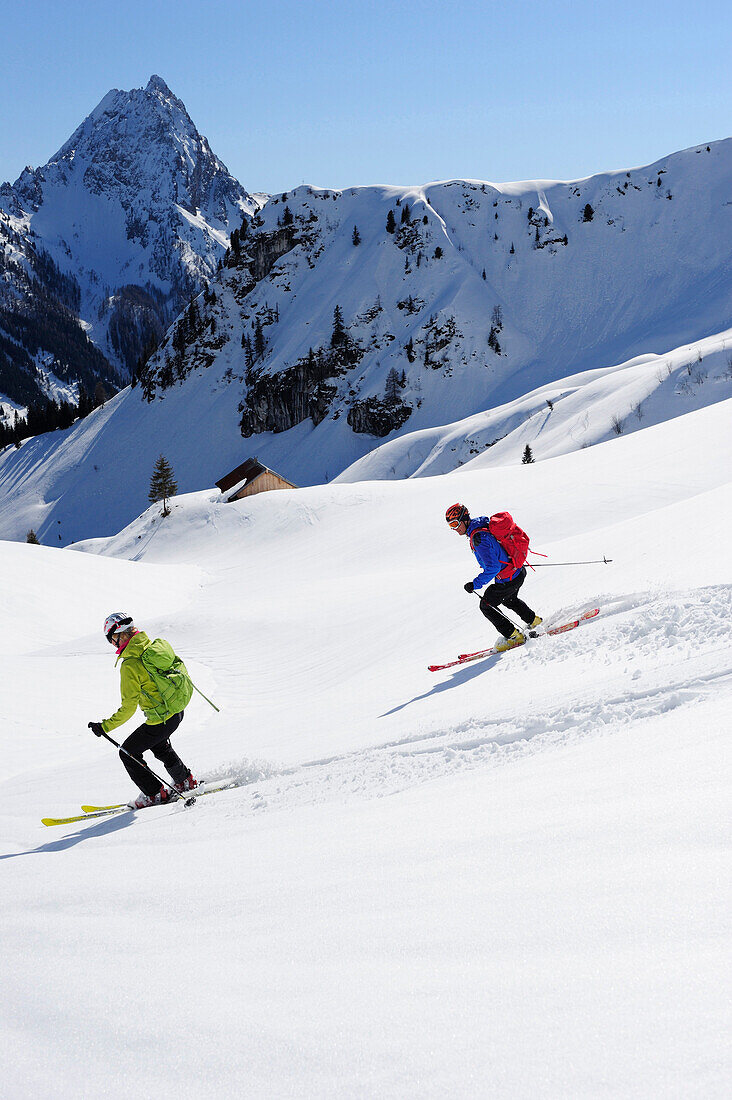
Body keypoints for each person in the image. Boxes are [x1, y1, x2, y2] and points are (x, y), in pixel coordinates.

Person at [88, 612, 198, 809]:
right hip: (175, 711)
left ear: (120, 635)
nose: (113, 644)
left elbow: (128, 708)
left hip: (161, 719)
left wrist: (104, 727)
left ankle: (155, 794)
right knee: (158, 744)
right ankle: (184, 780)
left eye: (112, 639)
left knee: (127, 752)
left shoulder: (130, 664)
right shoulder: (151, 647)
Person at [445, 503, 542, 652]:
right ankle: (534, 621)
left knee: (486, 605)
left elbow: (493, 568)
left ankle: (514, 637)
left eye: (455, 523)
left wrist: (474, 584)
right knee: (510, 600)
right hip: (516, 572)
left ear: (464, 519)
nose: (454, 528)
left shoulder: (479, 538)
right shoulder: (481, 526)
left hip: (508, 578)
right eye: (451, 525)